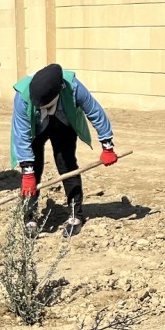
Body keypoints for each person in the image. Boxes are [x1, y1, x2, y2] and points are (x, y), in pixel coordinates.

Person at [10, 63, 116, 236]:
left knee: (67, 164)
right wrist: (27, 171)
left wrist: (107, 145)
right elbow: (21, 135)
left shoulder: (72, 86)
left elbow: (95, 111)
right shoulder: (22, 97)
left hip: (63, 123)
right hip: (34, 128)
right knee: (32, 171)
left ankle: (76, 215)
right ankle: (30, 218)